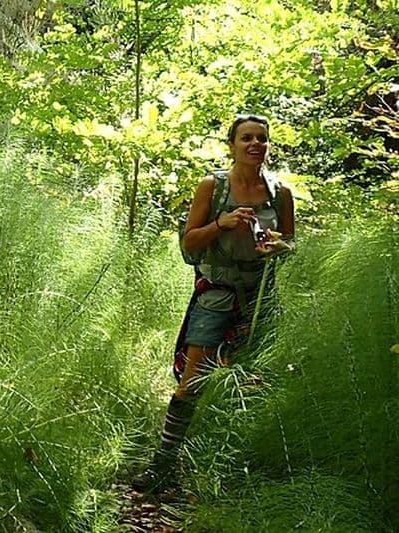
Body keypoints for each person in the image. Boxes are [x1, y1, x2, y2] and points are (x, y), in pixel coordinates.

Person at [132, 115, 295, 493]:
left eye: (262, 139)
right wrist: (221, 224)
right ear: (232, 145)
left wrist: (277, 246)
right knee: (193, 381)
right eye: (246, 138)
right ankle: (163, 465)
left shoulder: (280, 192)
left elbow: (291, 244)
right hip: (217, 292)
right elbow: (189, 244)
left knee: (249, 382)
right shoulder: (213, 186)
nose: (255, 144)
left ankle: (229, 470)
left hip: (261, 298)